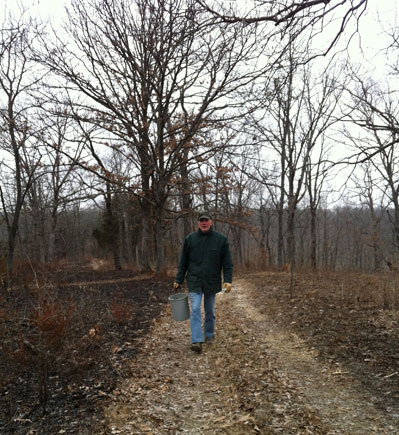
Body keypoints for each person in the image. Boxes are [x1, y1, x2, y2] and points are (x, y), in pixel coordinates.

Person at [173, 210, 233, 354]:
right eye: (201, 221)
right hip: (194, 281)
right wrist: (179, 279)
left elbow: (227, 263)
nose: (204, 223)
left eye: (206, 220)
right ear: (198, 223)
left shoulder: (221, 240)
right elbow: (183, 262)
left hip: (211, 281)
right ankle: (197, 340)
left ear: (211, 222)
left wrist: (228, 280)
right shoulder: (190, 240)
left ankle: (209, 335)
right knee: (194, 310)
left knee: (210, 311)